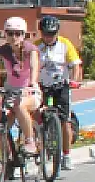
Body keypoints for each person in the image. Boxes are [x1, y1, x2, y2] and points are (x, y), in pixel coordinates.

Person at [0, 16, 42, 163]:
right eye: (10, 33)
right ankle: (8, 162)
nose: (13, 37)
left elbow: (34, 66)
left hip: (30, 91)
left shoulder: (31, 49)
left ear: (23, 34)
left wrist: (32, 83)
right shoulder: (2, 51)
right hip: (11, 91)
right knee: (2, 126)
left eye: (18, 33)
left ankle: (30, 141)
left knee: (20, 105)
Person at [35, 15, 84, 170]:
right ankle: (37, 149)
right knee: (36, 117)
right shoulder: (36, 47)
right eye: (45, 34)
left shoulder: (65, 44)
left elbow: (75, 65)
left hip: (61, 86)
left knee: (64, 121)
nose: (48, 38)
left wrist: (73, 81)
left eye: (52, 34)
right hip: (43, 86)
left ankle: (67, 155)